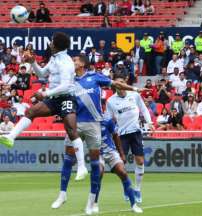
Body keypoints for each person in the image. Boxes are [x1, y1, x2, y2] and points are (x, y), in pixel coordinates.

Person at [51, 56, 142, 213]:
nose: (73, 62)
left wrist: (133, 89)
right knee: (74, 161)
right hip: (76, 124)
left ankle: (126, 203)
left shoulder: (95, 78)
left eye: (75, 60)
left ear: (83, 64)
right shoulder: (68, 80)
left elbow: (115, 84)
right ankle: (68, 195)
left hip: (100, 134)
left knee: (113, 170)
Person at [0, 33, 88, 181]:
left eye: (52, 42)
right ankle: (11, 137)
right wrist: (33, 62)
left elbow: (66, 86)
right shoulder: (54, 59)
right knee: (31, 111)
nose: (50, 44)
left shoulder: (66, 62)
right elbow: (41, 73)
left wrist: (46, 93)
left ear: (57, 45)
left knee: (71, 130)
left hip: (66, 97)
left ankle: (81, 167)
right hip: (53, 98)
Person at [106, 73, 154, 204]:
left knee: (140, 161)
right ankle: (126, 187)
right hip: (121, 135)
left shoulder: (135, 95)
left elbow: (143, 109)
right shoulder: (111, 101)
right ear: (115, 85)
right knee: (121, 164)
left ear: (125, 83)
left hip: (136, 132)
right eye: (118, 83)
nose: (120, 85)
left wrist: (150, 123)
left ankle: (137, 190)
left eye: (122, 82)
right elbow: (108, 120)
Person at [96, 118, 142, 213]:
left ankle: (134, 205)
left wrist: (121, 154)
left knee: (123, 172)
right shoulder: (88, 122)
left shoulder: (107, 121)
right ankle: (94, 204)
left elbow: (116, 136)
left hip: (111, 151)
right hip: (97, 153)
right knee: (98, 173)